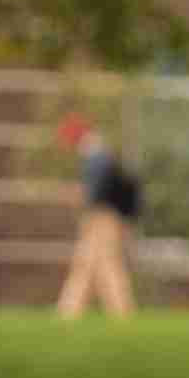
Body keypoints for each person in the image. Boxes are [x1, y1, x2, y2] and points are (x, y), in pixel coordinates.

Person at [54, 114, 140, 318]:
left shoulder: (97, 157)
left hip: (101, 219)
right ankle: (70, 310)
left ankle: (120, 311)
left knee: (104, 264)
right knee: (88, 264)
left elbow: (94, 195)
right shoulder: (101, 156)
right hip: (104, 217)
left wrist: (78, 198)